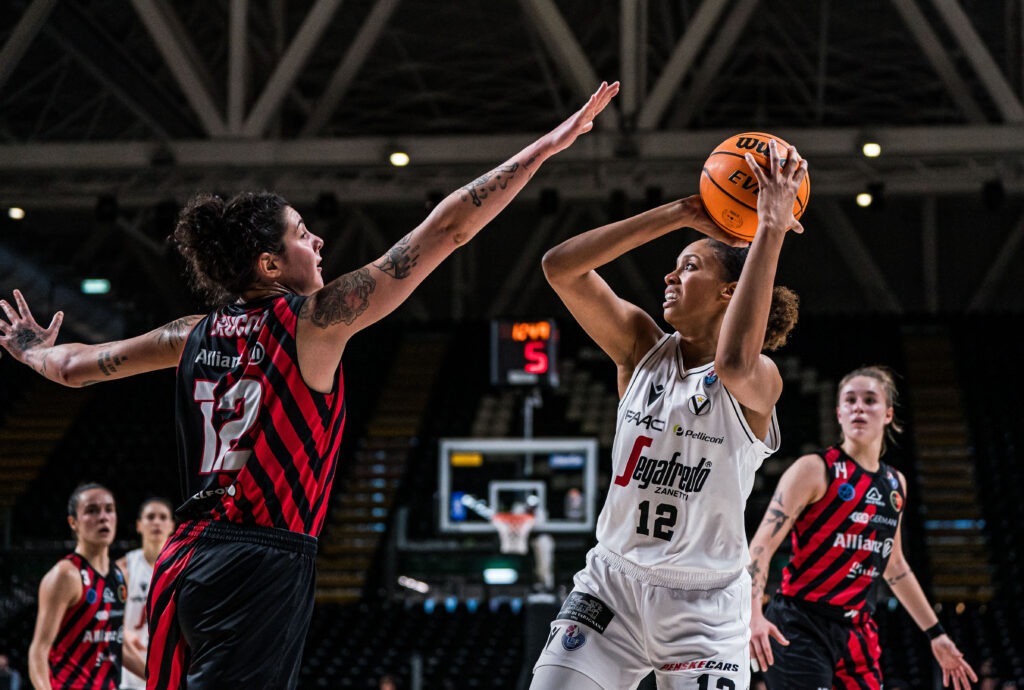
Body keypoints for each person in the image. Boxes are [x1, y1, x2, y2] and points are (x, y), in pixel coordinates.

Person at [0, 80, 619, 690]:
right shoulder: (310, 323)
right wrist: (545, 148)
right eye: (301, 232)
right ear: (269, 265)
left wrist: (32, 352)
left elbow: (79, 367)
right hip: (259, 559)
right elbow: (445, 231)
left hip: (183, 562)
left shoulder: (190, 334)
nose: (318, 240)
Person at [530, 138, 806, 690]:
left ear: (731, 291)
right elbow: (560, 267)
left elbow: (731, 360)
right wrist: (680, 213)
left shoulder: (760, 378)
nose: (669, 278)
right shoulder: (639, 348)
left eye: (689, 267)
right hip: (612, 584)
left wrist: (770, 231)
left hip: (704, 607)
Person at [747, 365, 979, 690]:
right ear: (838, 412)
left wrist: (936, 635)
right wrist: (754, 614)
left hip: (857, 630)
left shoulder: (895, 484)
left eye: (869, 400)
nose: (858, 406)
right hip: (799, 624)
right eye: (850, 400)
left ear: (887, 413)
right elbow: (760, 548)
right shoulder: (814, 469)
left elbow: (894, 566)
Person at [27, 483, 145, 690]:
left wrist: (162, 678)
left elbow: (115, 642)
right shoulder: (66, 574)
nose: (103, 517)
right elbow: (39, 650)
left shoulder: (119, 575)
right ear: (73, 522)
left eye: (109, 509)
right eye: (92, 510)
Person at [115, 498, 175, 690]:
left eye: (163, 517)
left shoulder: (181, 569)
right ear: (139, 526)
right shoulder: (124, 568)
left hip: (170, 670)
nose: (157, 522)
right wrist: (124, 633)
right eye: (150, 517)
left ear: (172, 526)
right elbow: (109, 620)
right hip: (132, 675)